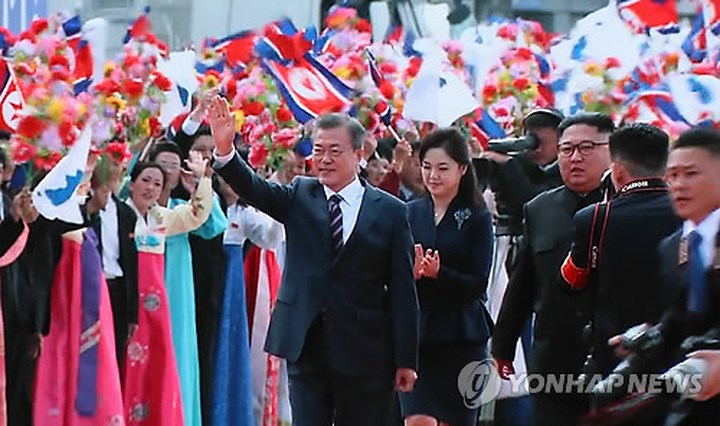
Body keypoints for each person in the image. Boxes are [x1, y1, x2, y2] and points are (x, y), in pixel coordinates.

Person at [208, 96, 419, 426]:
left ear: (359, 154)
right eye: (319, 150)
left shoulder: (391, 211)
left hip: (366, 348)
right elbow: (254, 188)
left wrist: (406, 358)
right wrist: (225, 151)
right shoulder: (300, 195)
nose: (324, 159)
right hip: (306, 342)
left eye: (335, 151)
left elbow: (404, 290)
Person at [492, 113, 614, 425]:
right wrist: (502, 346)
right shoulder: (539, 208)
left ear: (611, 150)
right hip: (554, 361)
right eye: (566, 149)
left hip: (614, 359)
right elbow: (523, 283)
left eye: (586, 148)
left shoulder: (626, 206)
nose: (575, 158)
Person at [561, 123, 681, 379]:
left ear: (617, 170)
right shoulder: (690, 214)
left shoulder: (594, 217)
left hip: (613, 354)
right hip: (678, 356)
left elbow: (570, 281)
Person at [621, 127, 720, 423]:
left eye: (691, 174)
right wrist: (651, 337)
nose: (679, 185)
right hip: (692, 396)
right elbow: (680, 314)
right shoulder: (673, 246)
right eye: (672, 176)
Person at [399, 128, 494, 426]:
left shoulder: (477, 216)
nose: (432, 176)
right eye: (426, 167)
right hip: (419, 337)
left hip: (461, 337)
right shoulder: (409, 212)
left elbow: (478, 284)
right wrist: (410, 274)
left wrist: (440, 274)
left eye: (443, 168)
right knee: (417, 420)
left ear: (463, 169)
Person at [123, 152, 213, 425]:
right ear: (131, 183)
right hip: (125, 304)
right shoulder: (118, 214)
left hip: (156, 310)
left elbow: (196, 215)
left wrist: (202, 179)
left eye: (157, 184)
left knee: (155, 368)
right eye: (145, 180)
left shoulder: (161, 217)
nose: (150, 188)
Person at [150, 142, 228, 426]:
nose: (169, 170)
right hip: (146, 286)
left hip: (177, 289)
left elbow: (214, 225)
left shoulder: (181, 208)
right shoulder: (136, 209)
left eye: (174, 164)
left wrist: (197, 185)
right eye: (163, 164)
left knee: (179, 350)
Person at [87, 163, 139, 375]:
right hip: (91, 290)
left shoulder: (126, 213)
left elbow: (131, 264)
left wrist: (132, 313)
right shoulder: (82, 210)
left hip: (116, 291)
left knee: (114, 357)